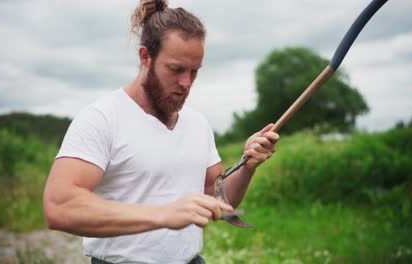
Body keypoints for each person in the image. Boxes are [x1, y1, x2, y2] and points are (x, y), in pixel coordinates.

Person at [42, 0, 280, 263]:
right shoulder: (102, 118)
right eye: (176, 70)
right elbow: (59, 206)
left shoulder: (198, 123)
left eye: (194, 71)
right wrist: (162, 215)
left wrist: (248, 165)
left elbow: (220, 200)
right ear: (145, 57)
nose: (186, 83)